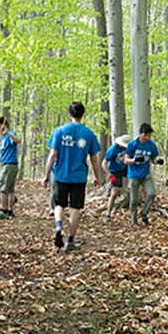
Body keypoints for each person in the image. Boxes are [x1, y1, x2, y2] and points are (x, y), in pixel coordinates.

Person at [43, 100, 104, 253]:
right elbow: (94, 159)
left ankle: (58, 226)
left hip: (61, 175)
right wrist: (98, 177)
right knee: (75, 208)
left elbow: (52, 155)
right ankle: (70, 240)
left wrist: (46, 175)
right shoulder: (88, 134)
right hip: (79, 176)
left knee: (59, 205)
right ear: (83, 115)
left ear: (69, 113)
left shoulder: (60, 131)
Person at [124, 124, 163, 227]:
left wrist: (158, 161)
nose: (147, 138)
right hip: (134, 175)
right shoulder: (132, 144)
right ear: (141, 134)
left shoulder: (151, 145)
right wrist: (134, 160)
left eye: (149, 135)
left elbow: (153, 159)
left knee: (152, 193)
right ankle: (134, 221)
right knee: (134, 200)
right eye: (146, 135)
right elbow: (126, 160)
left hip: (146, 174)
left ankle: (144, 212)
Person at [0, 115, 21, 218]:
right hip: (5, 164)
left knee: (1, 188)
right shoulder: (3, 138)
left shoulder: (10, 134)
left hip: (9, 165)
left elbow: (18, 140)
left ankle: (4, 209)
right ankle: (10, 211)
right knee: (10, 190)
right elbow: (3, 155)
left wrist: (7, 133)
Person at [103, 135, 132, 219]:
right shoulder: (112, 150)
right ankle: (108, 214)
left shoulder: (128, 148)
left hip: (124, 167)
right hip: (115, 171)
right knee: (114, 193)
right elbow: (104, 164)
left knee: (137, 179)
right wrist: (110, 175)